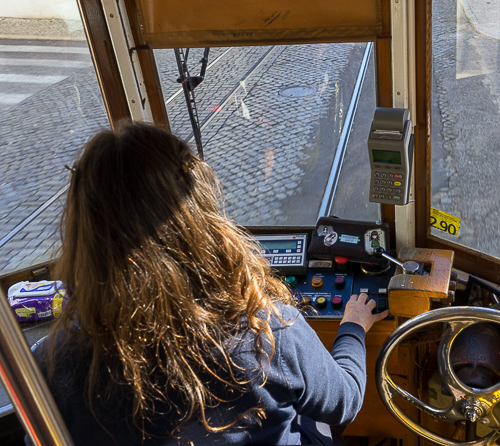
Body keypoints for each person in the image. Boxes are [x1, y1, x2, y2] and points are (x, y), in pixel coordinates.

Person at [31, 122, 388, 445]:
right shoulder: (268, 333)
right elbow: (346, 403)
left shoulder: (49, 364)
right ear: (200, 223)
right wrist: (353, 327)